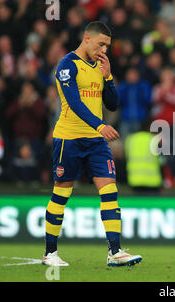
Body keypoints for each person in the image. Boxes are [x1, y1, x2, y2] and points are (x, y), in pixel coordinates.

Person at [42, 21, 142, 267]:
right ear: (87, 38)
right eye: (101, 44)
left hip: (96, 142)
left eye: (107, 46)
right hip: (69, 138)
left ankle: (115, 252)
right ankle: (50, 253)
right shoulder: (67, 65)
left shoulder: (100, 66)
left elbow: (112, 104)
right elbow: (74, 103)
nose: (104, 50)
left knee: (110, 191)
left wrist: (108, 78)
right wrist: (100, 125)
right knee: (62, 193)